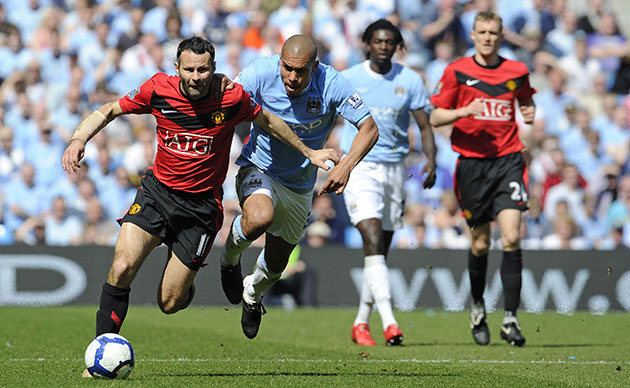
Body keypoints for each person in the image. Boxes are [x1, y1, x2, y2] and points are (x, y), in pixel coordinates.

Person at [61, 36, 337, 377]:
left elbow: (268, 121)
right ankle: (102, 350)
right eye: (189, 69)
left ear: (213, 69)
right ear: (177, 68)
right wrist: (78, 139)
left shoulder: (230, 96)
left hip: (201, 208)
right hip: (157, 195)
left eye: (203, 69)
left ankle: (185, 280)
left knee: (170, 303)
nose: (196, 76)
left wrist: (309, 152)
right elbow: (109, 110)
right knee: (121, 267)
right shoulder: (158, 89)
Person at [219, 34, 379, 339]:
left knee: (277, 262)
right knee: (260, 217)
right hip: (259, 166)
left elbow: (370, 128)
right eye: (287, 68)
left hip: (301, 184)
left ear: (315, 67)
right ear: (279, 61)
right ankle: (229, 261)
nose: (292, 77)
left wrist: (345, 166)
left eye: (300, 71)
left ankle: (252, 294)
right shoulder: (261, 72)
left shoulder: (332, 83)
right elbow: (230, 99)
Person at [430, 11, 536, 347]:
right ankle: (477, 308)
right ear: (473, 35)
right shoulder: (457, 71)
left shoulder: (516, 70)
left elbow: (525, 99)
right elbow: (435, 116)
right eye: (482, 32)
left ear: (501, 36)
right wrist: (463, 112)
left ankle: (510, 319)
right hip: (472, 166)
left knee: (511, 237)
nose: (488, 37)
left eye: (493, 32)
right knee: (479, 243)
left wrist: (529, 110)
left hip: (508, 162)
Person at [338, 19, 436, 346]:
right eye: (378, 41)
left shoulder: (409, 80)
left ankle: (360, 322)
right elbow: (327, 117)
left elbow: (424, 125)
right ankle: (391, 323)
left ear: (398, 46)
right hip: (360, 166)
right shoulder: (350, 78)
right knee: (372, 235)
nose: (383, 46)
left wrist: (431, 161)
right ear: (367, 44)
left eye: (390, 42)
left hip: (396, 170)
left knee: (378, 251)